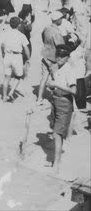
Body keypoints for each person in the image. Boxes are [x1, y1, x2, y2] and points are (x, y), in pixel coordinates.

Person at [47, 44, 77, 174]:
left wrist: (57, 85)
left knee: (57, 134)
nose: (59, 58)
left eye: (62, 56)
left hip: (64, 103)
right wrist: (52, 86)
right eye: (57, 55)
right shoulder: (57, 67)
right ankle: (57, 158)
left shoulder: (69, 70)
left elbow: (74, 90)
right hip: (55, 100)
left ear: (67, 57)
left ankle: (57, 164)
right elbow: (56, 84)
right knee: (55, 130)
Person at [37, 11, 65, 105]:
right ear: (57, 20)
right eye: (61, 18)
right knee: (57, 79)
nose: (62, 20)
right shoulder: (56, 32)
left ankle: (39, 99)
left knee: (44, 78)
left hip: (45, 54)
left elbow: (42, 37)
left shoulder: (47, 28)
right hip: (53, 57)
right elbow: (61, 46)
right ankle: (57, 100)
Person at [0, 16, 30, 102]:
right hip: (17, 56)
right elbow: (26, 48)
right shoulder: (21, 35)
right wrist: (28, 58)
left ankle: (4, 96)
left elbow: (2, 45)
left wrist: (3, 54)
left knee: (7, 77)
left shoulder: (6, 33)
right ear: (19, 25)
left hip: (7, 55)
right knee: (18, 76)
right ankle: (12, 91)